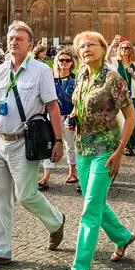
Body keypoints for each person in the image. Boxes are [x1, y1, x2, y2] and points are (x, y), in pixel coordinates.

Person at [0, 21, 65, 270]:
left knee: (26, 195)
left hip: (25, 143)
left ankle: (56, 221)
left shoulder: (41, 71)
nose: (13, 42)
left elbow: (53, 107)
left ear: (30, 44)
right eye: (11, 38)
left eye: (20, 39)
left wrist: (59, 141)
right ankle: (0, 250)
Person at [67, 31, 135, 270]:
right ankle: (122, 236)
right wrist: (74, 116)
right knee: (94, 202)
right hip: (82, 148)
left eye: (92, 45)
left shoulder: (114, 79)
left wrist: (120, 151)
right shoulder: (81, 75)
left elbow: (131, 117)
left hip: (105, 151)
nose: (86, 49)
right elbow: (81, 104)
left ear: (103, 48)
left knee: (89, 211)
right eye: (82, 46)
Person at [38, 48, 78, 191]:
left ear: (72, 63)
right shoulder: (50, 79)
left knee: (70, 146)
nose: (64, 63)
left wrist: (74, 116)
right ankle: (46, 177)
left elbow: (79, 100)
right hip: (52, 117)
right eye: (61, 60)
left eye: (68, 60)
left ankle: (72, 173)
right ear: (57, 62)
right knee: (51, 144)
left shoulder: (75, 80)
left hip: (70, 116)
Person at [111, 38, 135, 155]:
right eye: (122, 48)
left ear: (131, 50)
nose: (125, 50)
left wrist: (132, 74)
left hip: (133, 96)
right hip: (119, 96)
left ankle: (132, 144)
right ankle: (124, 146)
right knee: (121, 121)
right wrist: (111, 45)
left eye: (127, 48)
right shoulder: (116, 62)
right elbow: (105, 59)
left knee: (133, 120)